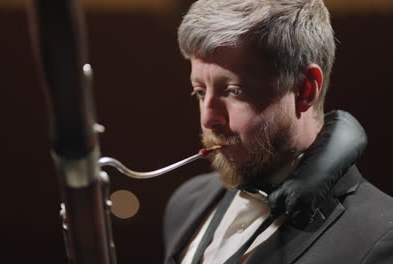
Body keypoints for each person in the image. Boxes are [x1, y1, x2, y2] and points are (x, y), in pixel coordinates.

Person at [163, 0, 393, 263]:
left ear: (305, 89)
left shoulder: (380, 238)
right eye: (200, 92)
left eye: (234, 91)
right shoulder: (186, 203)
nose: (207, 118)